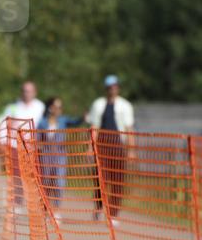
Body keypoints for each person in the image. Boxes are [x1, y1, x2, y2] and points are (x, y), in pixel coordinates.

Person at [85, 74, 134, 224]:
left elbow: (129, 128)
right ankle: (99, 207)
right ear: (106, 89)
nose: (112, 89)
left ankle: (113, 213)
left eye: (114, 86)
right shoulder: (98, 104)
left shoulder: (125, 106)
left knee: (117, 181)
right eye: (109, 87)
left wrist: (131, 149)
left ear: (118, 87)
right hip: (102, 145)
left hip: (118, 145)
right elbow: (94, 127)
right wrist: (89, 146)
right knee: (100, 178)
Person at [0, 81, 45, 207]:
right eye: (24, 90)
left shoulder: (41, 107)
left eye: (29, 91)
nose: (26, 93)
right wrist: (2, 142)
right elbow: (2, 124)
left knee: (37, 176)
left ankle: (40, 205)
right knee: (17, 175)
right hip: (15, 146)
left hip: (34, 147)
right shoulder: (13, 107)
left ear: (35, 92)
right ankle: (18, 202)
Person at [35, 97, 77, 220]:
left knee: (59, 183)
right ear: (51, 108)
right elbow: (37, 138)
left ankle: (57, 210)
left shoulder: (63, 120)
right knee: (47, 184)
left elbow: (75, 122)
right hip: (46, 156)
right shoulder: (43, 122)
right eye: (57, 106)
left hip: (60, 156)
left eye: (60, 107)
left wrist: (84, 117)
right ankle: (46, 210)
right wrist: (39, 145)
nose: (59, 109)